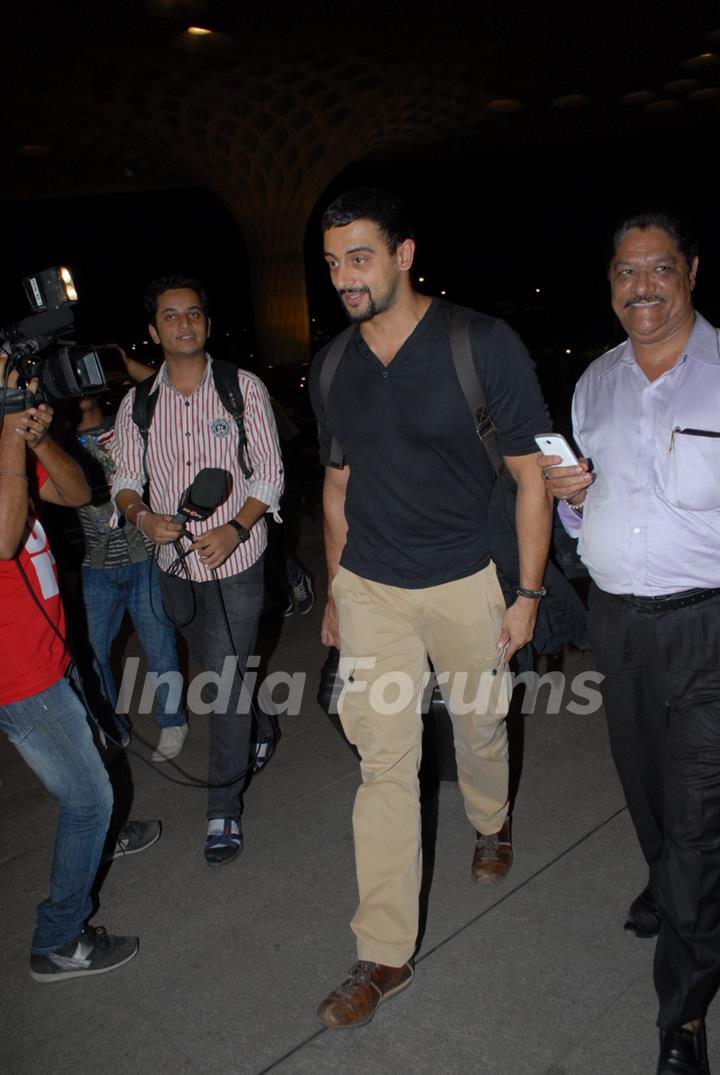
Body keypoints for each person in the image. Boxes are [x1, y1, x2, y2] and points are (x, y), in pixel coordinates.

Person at [309, 188, 554, 1028]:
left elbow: (530, 475)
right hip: (375, 585)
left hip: (465, 577)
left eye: (361, 256)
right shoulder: (333, 364)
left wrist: (526, 595)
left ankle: (492, 818)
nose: (345, 275)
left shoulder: (480, 343)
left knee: (480, 724)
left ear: (405, 253)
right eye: (335, 260)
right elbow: (336, 489)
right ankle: (383, 954)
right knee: (385, 764)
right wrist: (338, 595)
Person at [541, 210, 719, 1075]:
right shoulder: (595, 383)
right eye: (624, 272)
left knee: (697, 821)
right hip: (620, 622)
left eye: (658, 269)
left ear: (690, 272)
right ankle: (671, 882)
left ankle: (681, 1019)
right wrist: (572, 494)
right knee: (647, 791)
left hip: (709, 624)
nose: (640, 287)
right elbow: (589, 509)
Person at [111, 275, 284, 866]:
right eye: (170, 315)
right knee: (215, 661)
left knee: (225, 683)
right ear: (154, 330)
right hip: (171, 564)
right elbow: (125, 480)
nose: (184, 323)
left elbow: (268, 474)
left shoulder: (242, 389)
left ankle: (222, 808)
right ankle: (261, 723)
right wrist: (141, 516)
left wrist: (235, 526)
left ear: (206, 323)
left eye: (193, 314)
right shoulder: (138, 403)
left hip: (236, 559)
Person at [0, 357, 150, 981]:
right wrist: (12, 436)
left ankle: (97, 837)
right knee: (88, 797)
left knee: (89, 773)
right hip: (18, 674)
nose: (19, 389)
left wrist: (36, 438)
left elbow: (77, 491)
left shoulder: (9, 446)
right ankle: (58, 939)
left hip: (48, 653)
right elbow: (4, 539)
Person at [72, 362, 190, 762]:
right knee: (90, 654)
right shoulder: (57, 442)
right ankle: (113, 727)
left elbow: (163, 383)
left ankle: (172, 722)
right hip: (95, 567)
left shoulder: (123, 422)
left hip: (142, 558)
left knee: (159, 649)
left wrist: (119, 359)